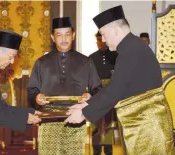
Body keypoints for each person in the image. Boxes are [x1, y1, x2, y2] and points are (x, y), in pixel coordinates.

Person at [65, 5, 174, 155]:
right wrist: (87, 104)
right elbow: (121, 88)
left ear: (115, 30)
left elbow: (116, 90)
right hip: (146, 126)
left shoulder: (131, 51)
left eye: (103, 34)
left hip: (149, 128)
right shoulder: (133, 47)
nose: (102, 39)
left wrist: (84, 113)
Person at [27, 17, 101, 155]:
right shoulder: (41, 63)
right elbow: (32, 89)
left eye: (67, 34)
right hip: (49, 118)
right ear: (52, 37)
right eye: (59, 35)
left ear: (73, 35)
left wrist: (90, 96)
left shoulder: (86, 61)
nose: (64, 39)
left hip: (75, 116)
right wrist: (37, 97)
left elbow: (97, 88)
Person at [89, 31, 118, 145]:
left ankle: (108, 149)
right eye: (98, 40)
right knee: (95, 122)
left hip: (111, 93)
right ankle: (96, 149)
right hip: (96, 93)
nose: (100, 43)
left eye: (102, 40)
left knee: (108, 122)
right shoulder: (91, 58)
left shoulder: (116, 56)